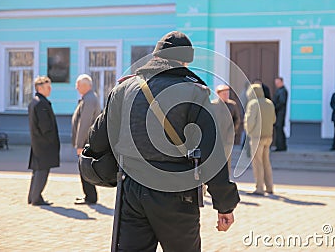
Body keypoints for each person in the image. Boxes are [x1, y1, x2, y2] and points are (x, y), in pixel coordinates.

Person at [85, 31, 240, 251]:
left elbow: (97, 141)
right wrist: (225, 204)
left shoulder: (123, 89)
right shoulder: (195, 93)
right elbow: (212, 156)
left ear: (156, 57)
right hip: (177, 194)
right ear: (185, 61)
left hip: (131, 190)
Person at [27, 76, 60, 206]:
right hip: (44, 144)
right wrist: (53, 141)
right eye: (48, 87)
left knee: (37, 170)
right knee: (42, 171)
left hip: (37, 143)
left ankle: (32, 196)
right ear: (39, 88)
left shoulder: (34, 102)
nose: (50, 89)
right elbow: (46, 127)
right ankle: (36, 198)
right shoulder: (41, 103)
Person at [72, 74, 101, 205]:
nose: (76, 88)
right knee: (85, 168)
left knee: (85, 169)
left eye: (78, 85)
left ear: (85, 86)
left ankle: (90, 197)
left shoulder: (89, 100)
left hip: (85, 142)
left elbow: (84, 124)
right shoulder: (88, 98)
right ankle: (89, 195)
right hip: (87, 141)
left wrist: (79, 145)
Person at [244, 84, 276, 195]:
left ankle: (259, 188)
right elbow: (273, 119)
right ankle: (270, 187)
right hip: (268, 136)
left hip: (257, 137)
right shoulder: (269, 103)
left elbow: (250, 121)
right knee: (266, 162)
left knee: (257, 163)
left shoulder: (253, 104)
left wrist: (249, 132)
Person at [211, 84, 241, 173]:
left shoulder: (232, 105)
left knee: (227, 161)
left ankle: (226, 181)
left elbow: (237, 120)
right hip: (216, 139)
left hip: (227, 139)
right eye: (224, 93)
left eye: (227, 93)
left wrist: (232, 132)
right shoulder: (212, 105)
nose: (226, 95)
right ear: (218, 94)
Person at [272, 77, 288, 151]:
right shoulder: (280, 90)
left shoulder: (282, 91)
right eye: (276, 83)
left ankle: (280, 146)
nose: (276, 84)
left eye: (278, 83)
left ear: (281, 82)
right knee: (279, 129)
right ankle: (282, 146)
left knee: (279, 129)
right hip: (278, 113)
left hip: (280, 114)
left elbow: (282, 102)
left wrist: (274, 107)